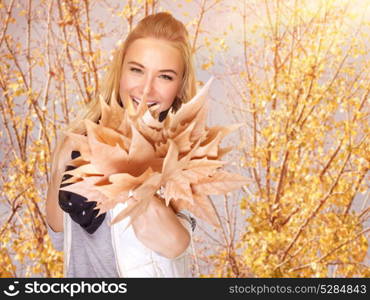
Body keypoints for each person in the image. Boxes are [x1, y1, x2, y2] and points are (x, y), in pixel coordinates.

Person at [46, 12, 197, 278]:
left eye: (165, 76)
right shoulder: (80, 140)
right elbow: (59, 236)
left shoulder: (183, 155)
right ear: (120, 71)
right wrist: (61, 166)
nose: (146, 89)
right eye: (137, 70)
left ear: (179, 87)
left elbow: (175, 246)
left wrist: (127, 173)